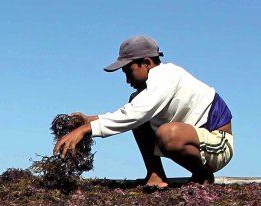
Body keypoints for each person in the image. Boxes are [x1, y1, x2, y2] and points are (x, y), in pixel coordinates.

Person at [54, 35, 233, 190]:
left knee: (167, 133)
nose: (127, 79)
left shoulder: (166, 76)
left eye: (129, 71)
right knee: (136, 105)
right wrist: (88, 120)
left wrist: (85, 130)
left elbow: (134, 114)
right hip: (195, 138)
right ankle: (156, 174)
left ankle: (202, 176)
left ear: (146, 63)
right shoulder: (149, 91)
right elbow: (130, 112)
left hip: (218, 144)